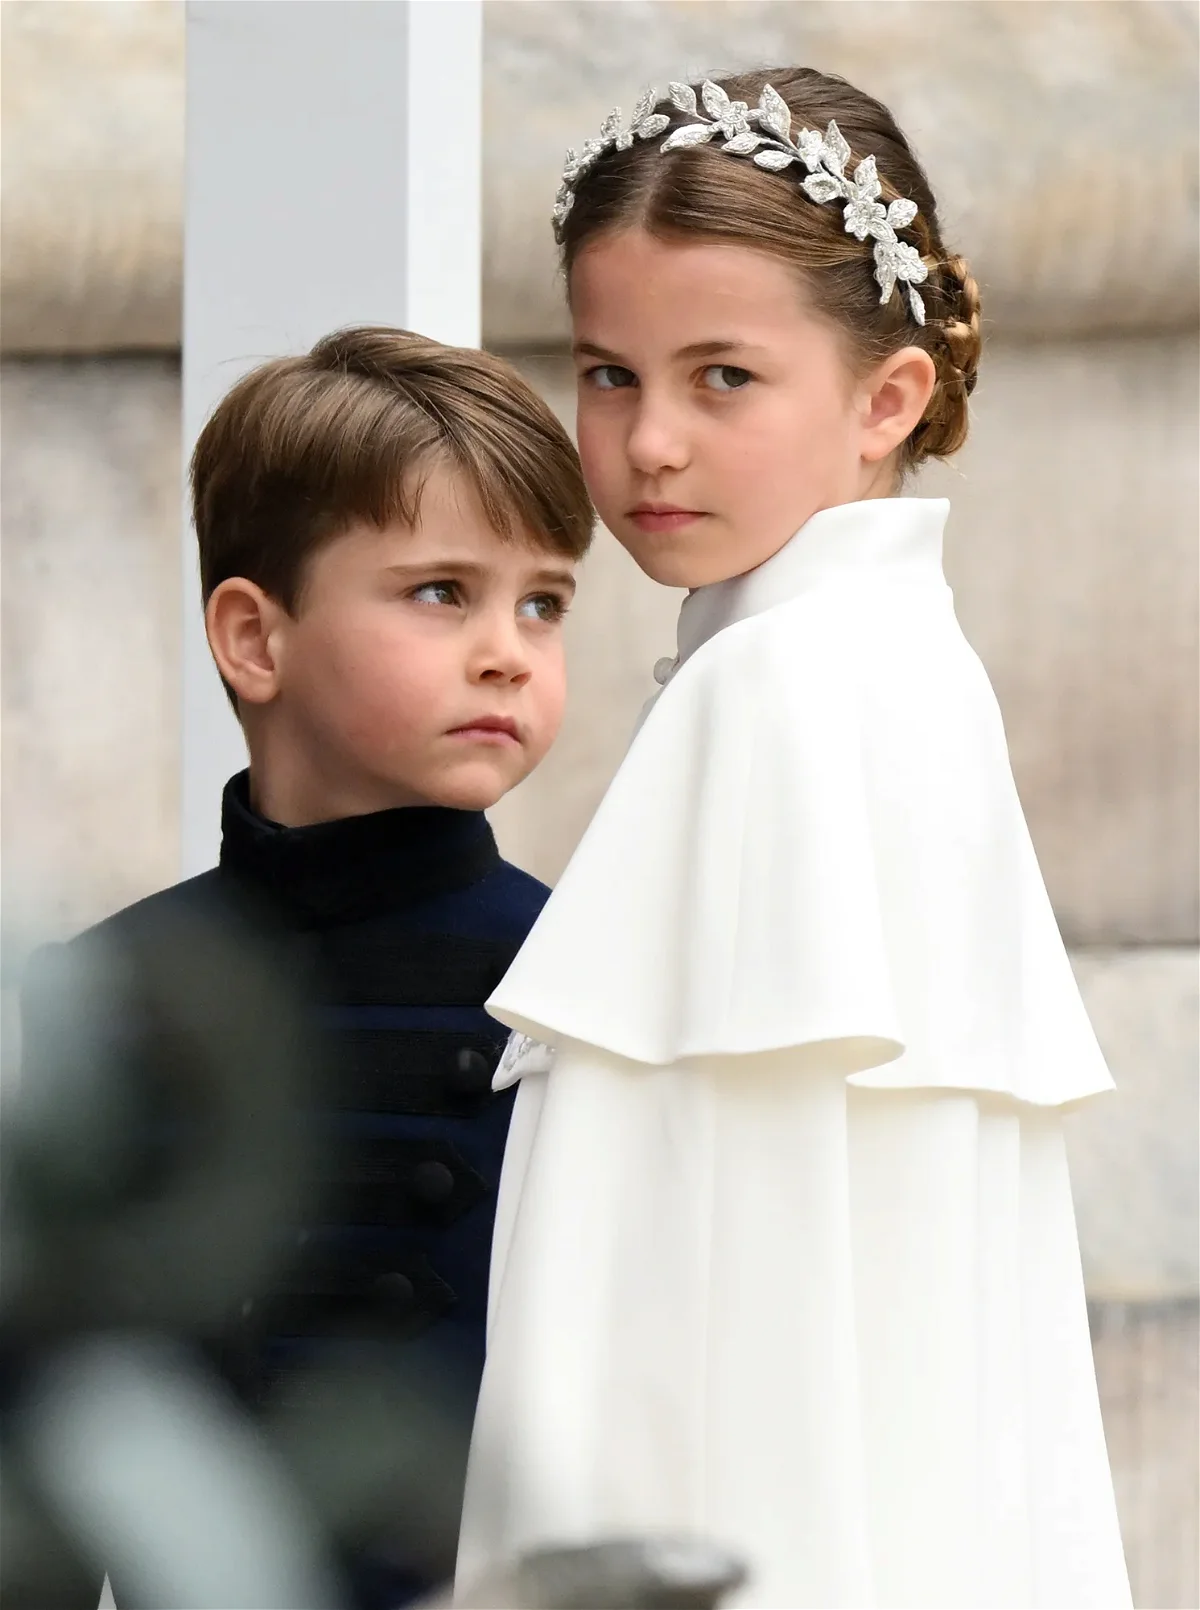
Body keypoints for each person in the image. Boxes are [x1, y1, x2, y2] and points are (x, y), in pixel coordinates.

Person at [456, 70, 1132, 1609]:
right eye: (608, 373)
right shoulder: (904, 665)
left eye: (723, 378)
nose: (649, 444)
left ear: (888, 398)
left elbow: (680, 1287)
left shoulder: (769, 686)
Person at [19, 325, 593, 1608]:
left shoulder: (584, 986)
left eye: (544, 600)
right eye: (442, 590)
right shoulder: (110, 996)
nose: (508, 645)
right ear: (254, 638)